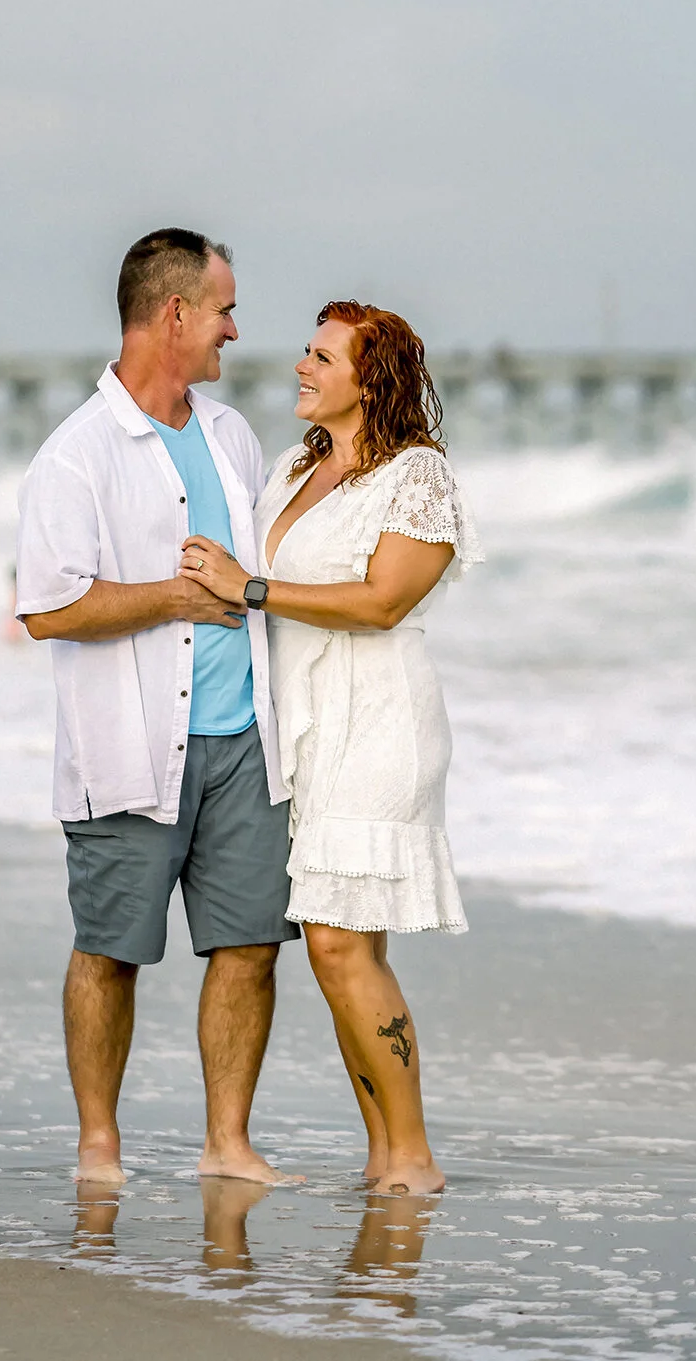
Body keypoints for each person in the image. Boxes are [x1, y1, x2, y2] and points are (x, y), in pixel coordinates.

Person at [14, 228, 297, 1188]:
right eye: (223, 309)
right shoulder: (75, 456)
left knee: (250, 945)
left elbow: (259, 577)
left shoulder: (231, 435)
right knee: (110, 949)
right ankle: (99, 1143)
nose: (234, 329)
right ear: (174, 313)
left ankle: (228, 1143)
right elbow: (48, 607)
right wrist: (175, 598)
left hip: (247, 740)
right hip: (128, 746)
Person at [179, 301, 482, 1196]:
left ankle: (412, 1153)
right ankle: (383, 1154)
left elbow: (383, 601)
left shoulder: (416, 474)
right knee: (338, 948)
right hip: (307, 725)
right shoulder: (292, 467)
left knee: (341, 944)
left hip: (379, 718)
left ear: (369, 379)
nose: (301, 367)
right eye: (305, 351)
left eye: (322, 356)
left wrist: (252, 588)